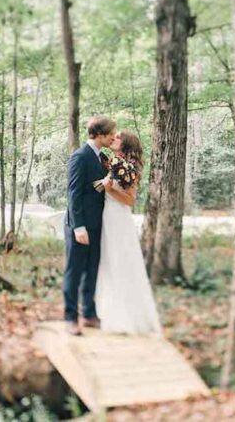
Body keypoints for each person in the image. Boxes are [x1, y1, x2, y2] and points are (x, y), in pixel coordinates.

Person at [94, 131, 163, 336]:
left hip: (119, 218)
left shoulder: (128, 168)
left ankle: (127, 316)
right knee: (106, 262)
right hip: (106, 216)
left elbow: (130, 201)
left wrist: (110, 190)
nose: (112, 138)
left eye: (117, 137)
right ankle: (107, 312)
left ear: (125, 145)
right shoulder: (113, 163)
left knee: (120, 261)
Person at [63, 116, 116, 336]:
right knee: (74, 271)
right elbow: (73, 195)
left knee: (92, 270)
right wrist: (79, 227)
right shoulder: (80, 157)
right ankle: (70, 317)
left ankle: (89, 314)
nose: (114, 137)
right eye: (111, 133)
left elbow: (97, 189)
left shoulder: (101, 157)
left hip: (97, 223)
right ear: (101, 134)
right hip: (80, 225)